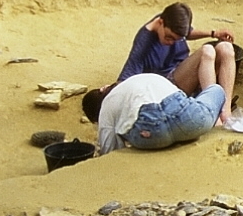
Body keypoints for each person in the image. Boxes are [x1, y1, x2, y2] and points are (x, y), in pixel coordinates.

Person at [116, 2, 239, 125]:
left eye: (177, 39)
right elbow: (127, 75)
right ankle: (212, 110)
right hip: (168, 86)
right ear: (160, 23)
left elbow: (188, 33)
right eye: (169, 37)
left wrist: (214, 33)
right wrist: (107, 91)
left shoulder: (170, 18)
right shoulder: (144, 41)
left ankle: (225, 112)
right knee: (207, 51)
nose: (171, 42)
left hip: (183, 71)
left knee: (226, 48)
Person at [81, 65, 225, 154]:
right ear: (103, 88)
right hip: (187, 120)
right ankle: (220, 130)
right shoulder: (137, 80)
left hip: (149, 135)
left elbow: (109, 151)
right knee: (216, 90)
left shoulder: (107, 105)